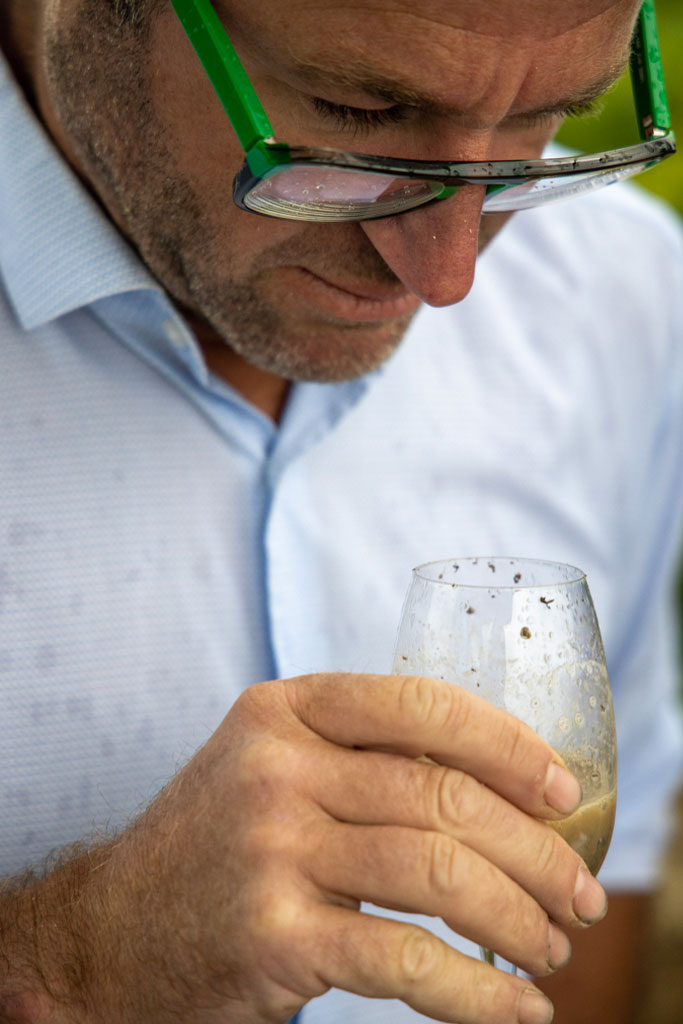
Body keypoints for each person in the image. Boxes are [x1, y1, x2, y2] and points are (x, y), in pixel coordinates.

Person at [0, 0, 681, 1022]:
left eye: (544, 122)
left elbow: (580, 927)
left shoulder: (618, 298)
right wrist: (67, 965)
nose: (447, 273)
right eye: (353, 112)